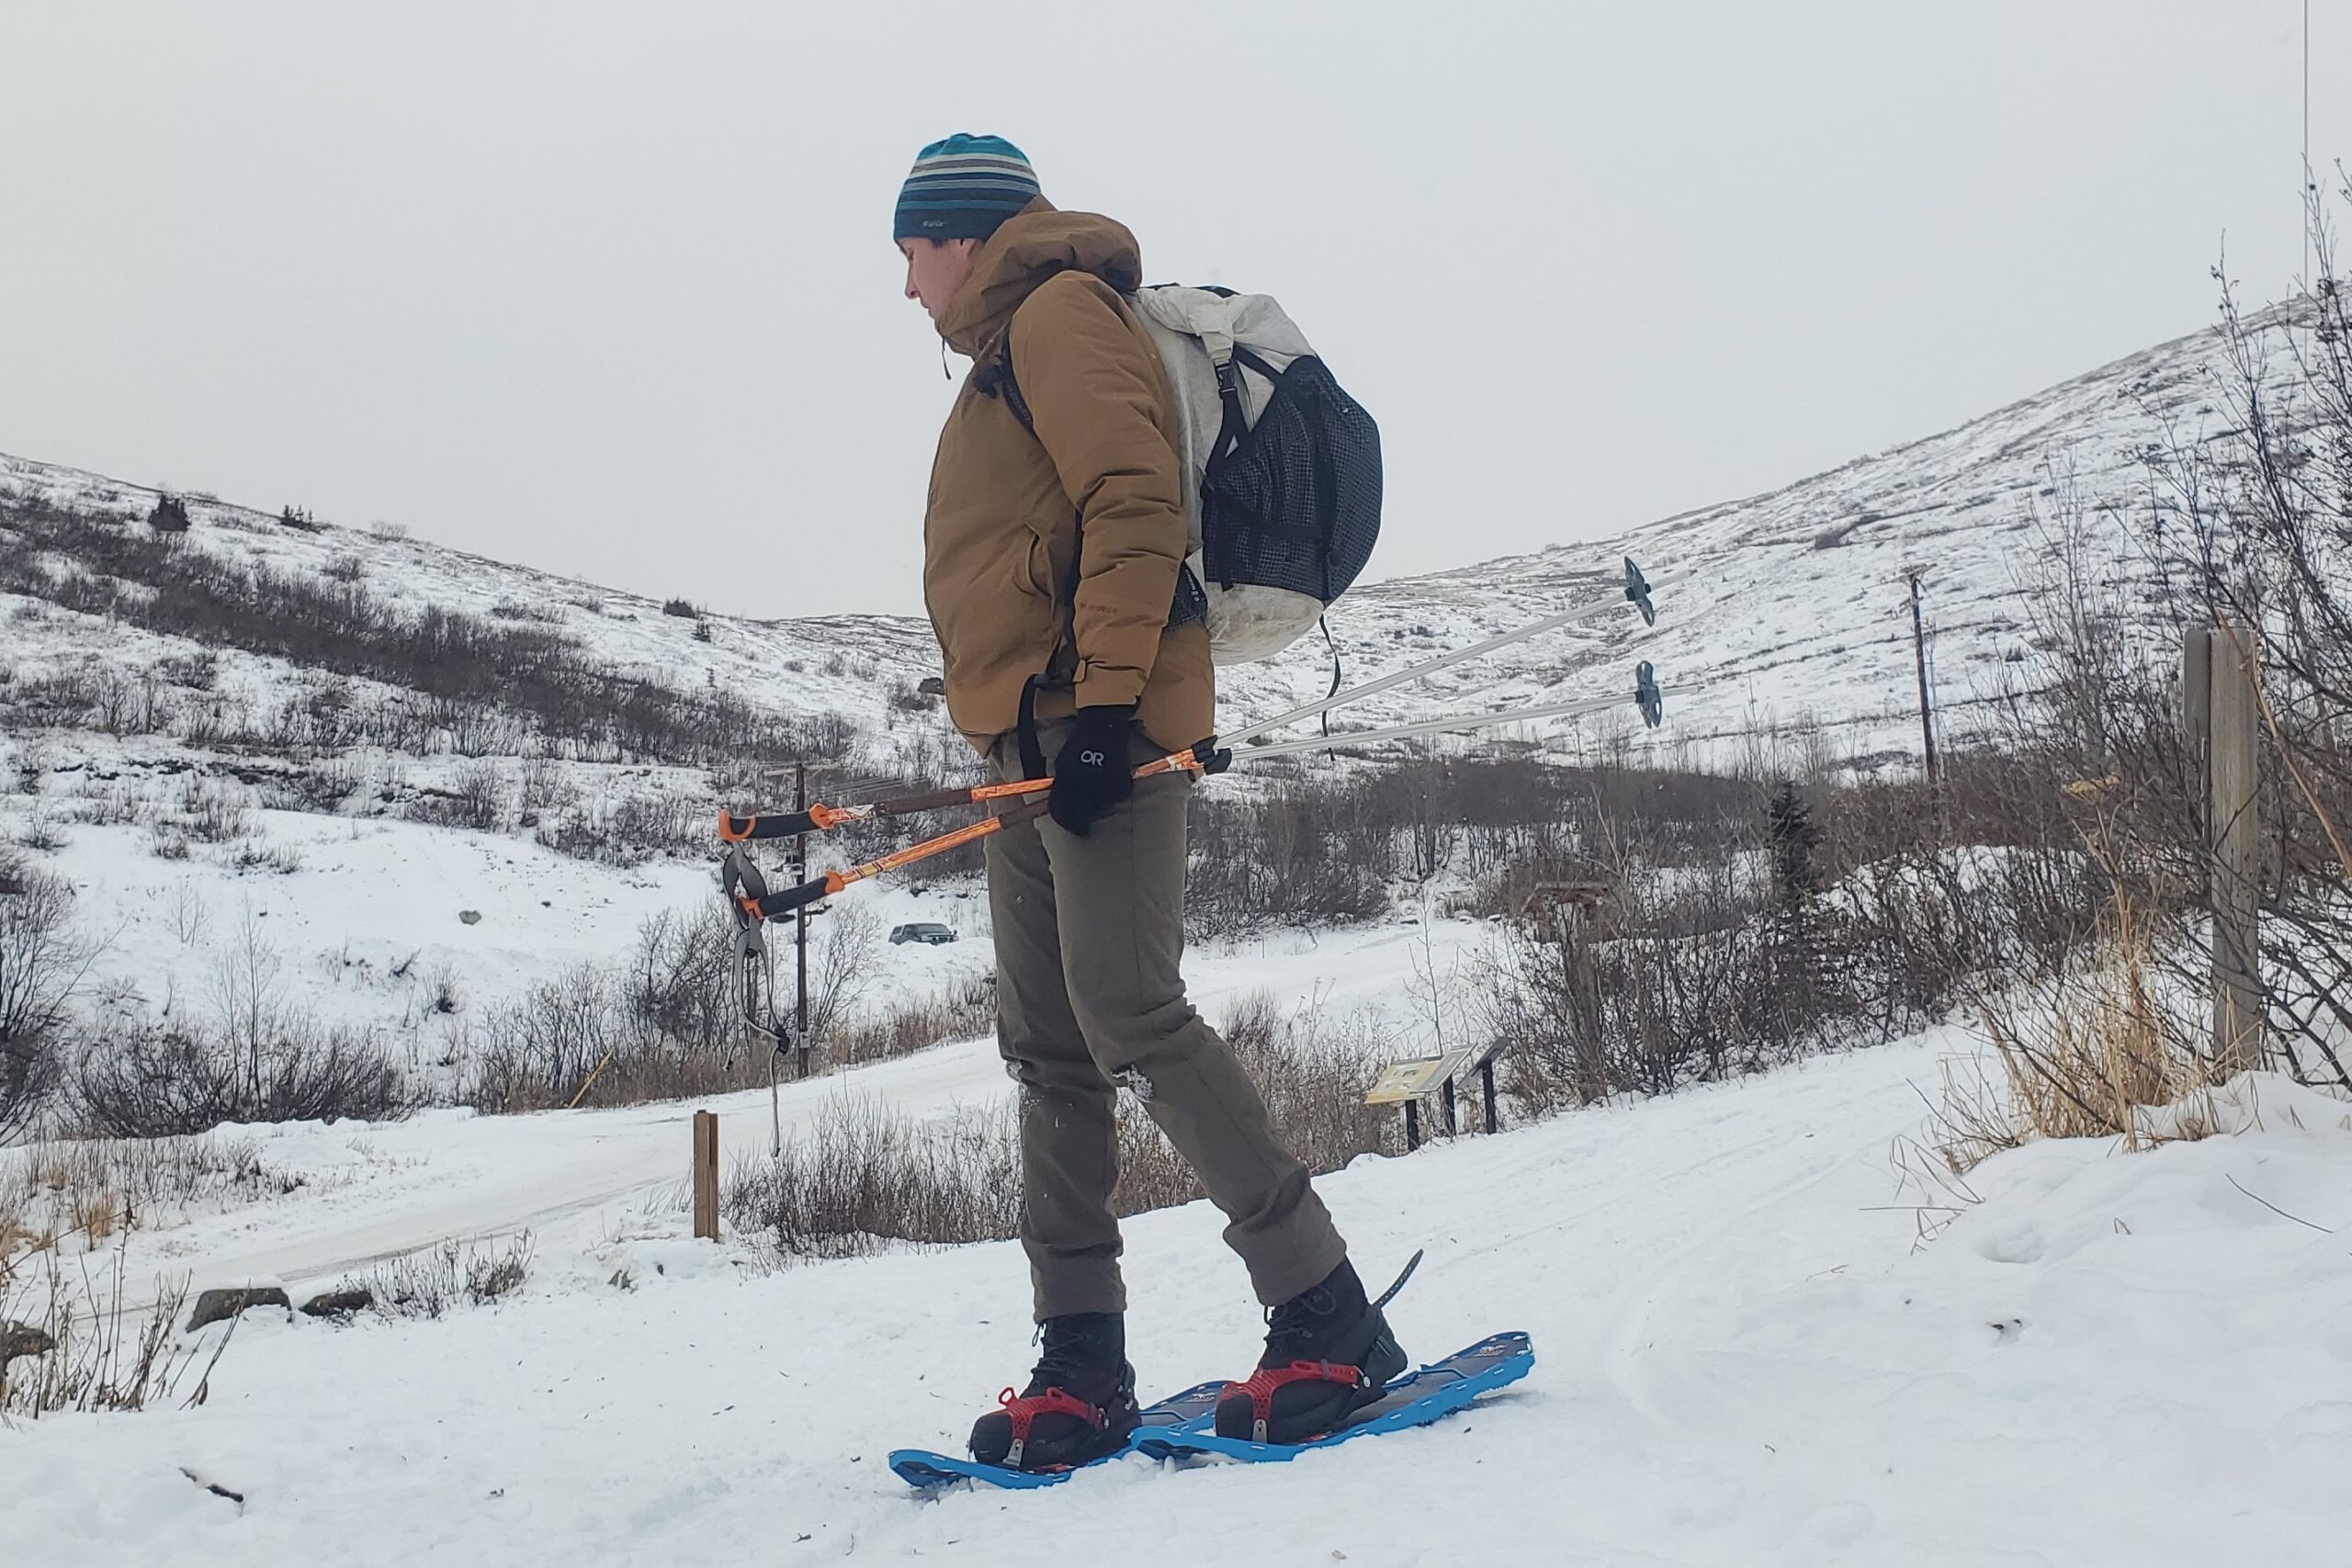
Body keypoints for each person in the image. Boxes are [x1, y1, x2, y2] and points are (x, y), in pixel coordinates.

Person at [892, 132, 1406, 1468]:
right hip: (1030, 744)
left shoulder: (1062, 315)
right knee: (1048, 1044)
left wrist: (1111, 711)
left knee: (1129, 1011)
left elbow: (1134, 506)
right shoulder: (1006, 355)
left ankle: (1329, 1313)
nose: (905, 287)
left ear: (963, 234)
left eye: (911, 252)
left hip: (1096, 730)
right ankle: (1081, 1359)